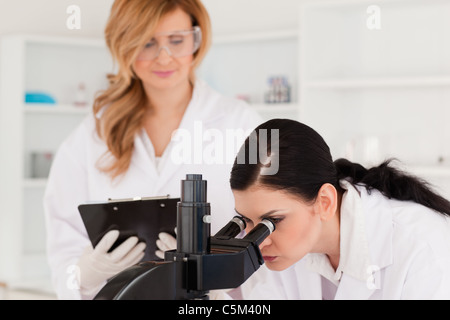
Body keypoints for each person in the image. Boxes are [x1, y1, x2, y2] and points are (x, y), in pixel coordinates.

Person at [44, 0, 262, 300]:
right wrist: (83, 275)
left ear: (197, 40)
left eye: (176, 40)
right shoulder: (94, 133)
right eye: (147, 43)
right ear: (124, 46)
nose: (164, 57)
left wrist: (212, 279)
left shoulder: (243, 123)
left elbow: (271, 235)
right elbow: (63, 238)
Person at [231, 119, 450, 300]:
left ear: (324, 202)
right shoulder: (286, 254)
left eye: (273, 221)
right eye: (246, 220)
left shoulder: (421, 248)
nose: (258, 241)